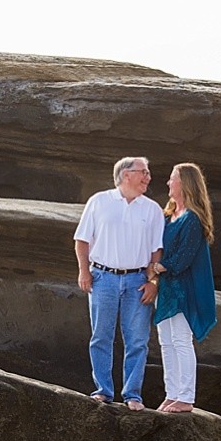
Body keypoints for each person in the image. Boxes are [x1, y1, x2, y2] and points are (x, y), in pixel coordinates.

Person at [74, 157, 165, 411]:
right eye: (143, 172)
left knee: (137, 340)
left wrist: (153, 282)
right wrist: (84, 272)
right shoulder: (99, 201)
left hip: (138, 279)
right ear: (126, 174)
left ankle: (132, 394)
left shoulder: (153, 209)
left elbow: (156, 252)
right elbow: (82, 240)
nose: (148, 177)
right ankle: (103, 390)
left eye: (148, 172)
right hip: (103, 277)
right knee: (101, 336)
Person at [148, 163, 217, 413]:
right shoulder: (169, 216)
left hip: (184, 289)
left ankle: (186, 397)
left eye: (172, 179)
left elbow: (182, 259)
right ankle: (172, 393)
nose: (168, 183)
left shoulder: (192, 219)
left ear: (185, 183)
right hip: (166, 289)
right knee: (165, 341)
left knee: (180, 340)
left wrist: (156, 267)